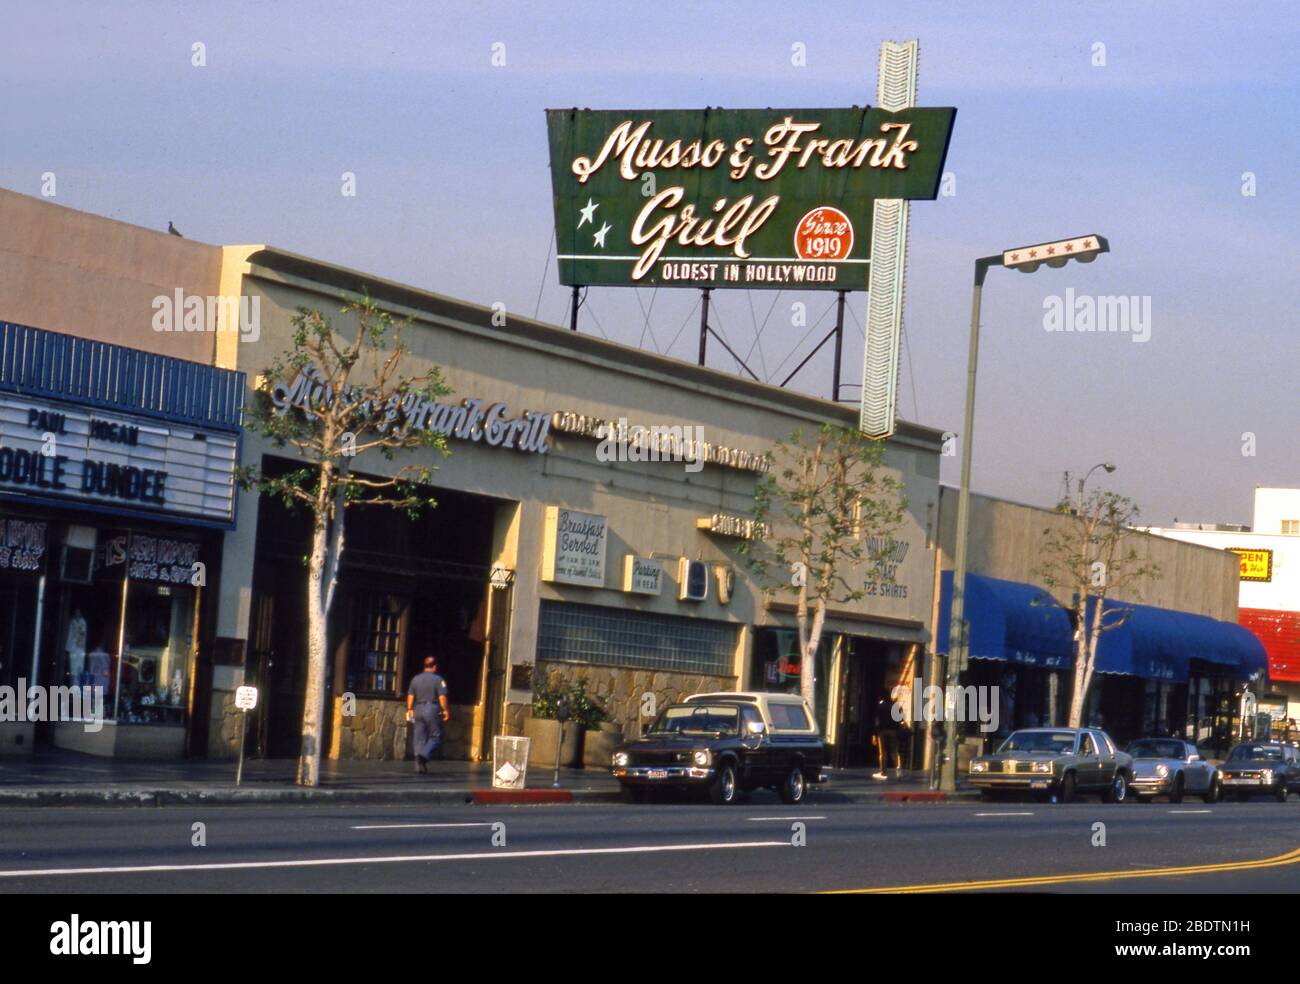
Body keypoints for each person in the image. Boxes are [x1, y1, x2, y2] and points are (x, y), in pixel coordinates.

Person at [405, 655, 450, 773]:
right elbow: (442, 697)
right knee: (436, 736)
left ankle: (418, 765)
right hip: (431, 708)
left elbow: (410, 695)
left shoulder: (415, 679)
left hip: (418, 708)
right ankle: (423, 755)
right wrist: (445, 710)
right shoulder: (438, 679)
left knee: (419, 736)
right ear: (434, 667)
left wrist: (409, 708)